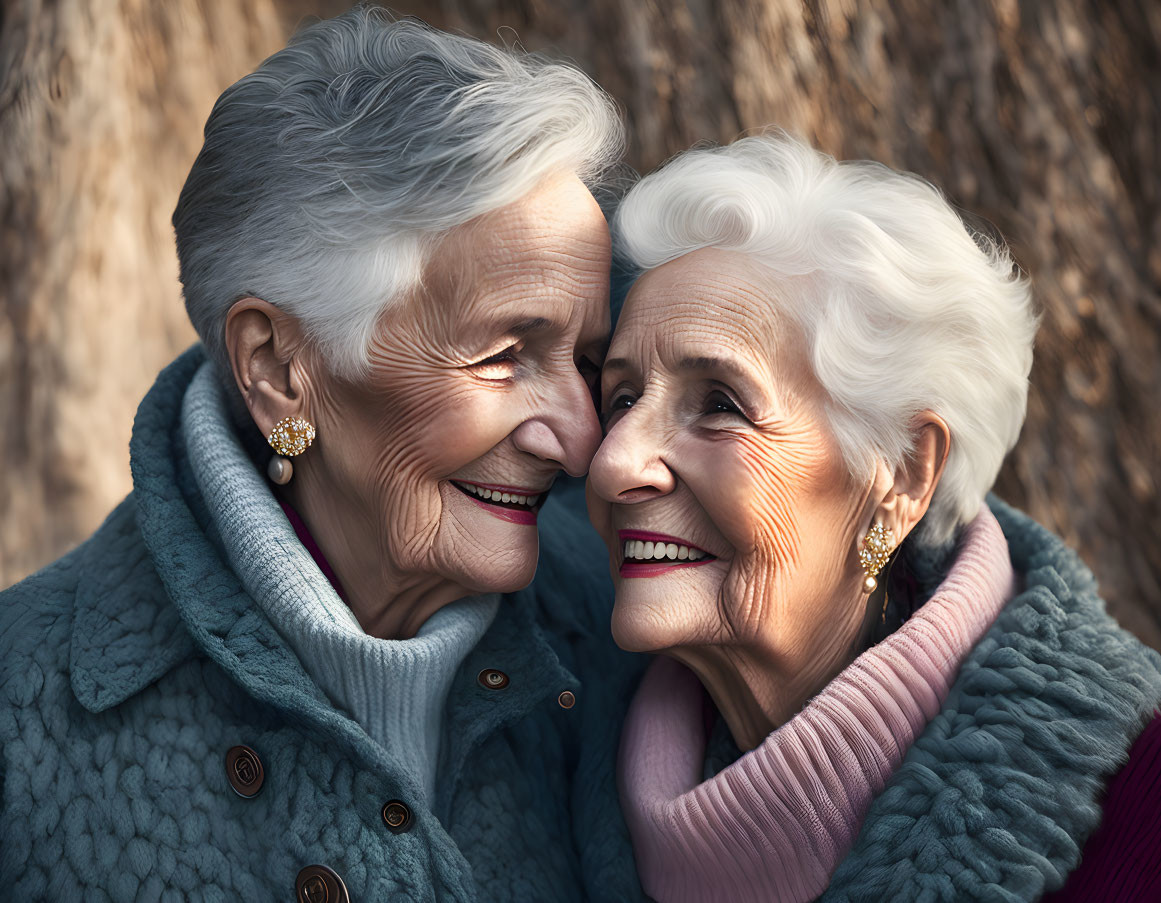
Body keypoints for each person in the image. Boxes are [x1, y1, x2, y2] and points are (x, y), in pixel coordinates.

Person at [0, 7, 647, 901]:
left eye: (583, 362)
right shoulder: (22, 721)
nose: (580, 440)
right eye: (505, 356)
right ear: (278, 369)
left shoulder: (626, 634)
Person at [586, 132, 1161, 902]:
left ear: (901, 474)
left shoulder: (1140, 798)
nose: (616, 461)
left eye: (719, 406)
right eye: (622, 398)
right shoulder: (567, 761)